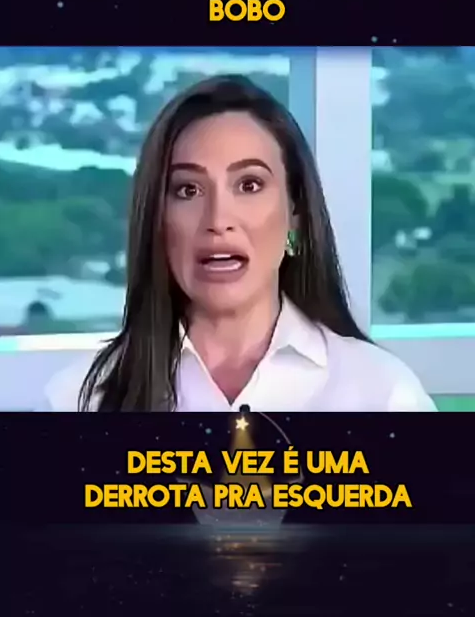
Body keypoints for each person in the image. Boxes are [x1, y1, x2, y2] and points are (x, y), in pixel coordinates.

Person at [42, 75, 436, 412]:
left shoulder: (381, 394)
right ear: (157, 221)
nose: (218, 221)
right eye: (188, 190)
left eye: (249, 185)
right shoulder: (76, 400)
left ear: (295, 213)